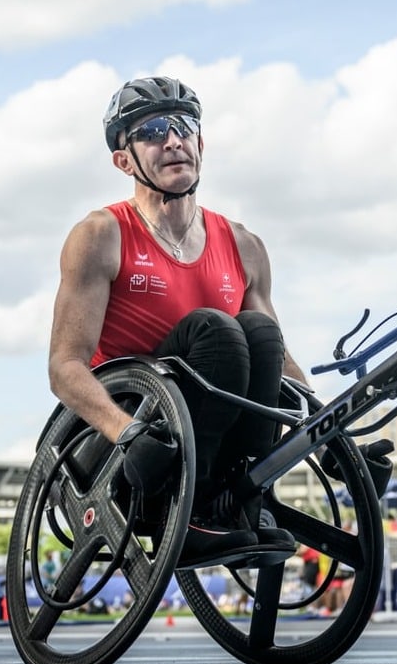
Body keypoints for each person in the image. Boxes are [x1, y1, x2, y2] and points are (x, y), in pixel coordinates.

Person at [48, 75, 307, 567]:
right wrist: (126, 432)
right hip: (130, 441)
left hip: (214, 432)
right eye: (151, 131)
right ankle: (184, 512)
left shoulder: (244, 244)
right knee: (216, 328)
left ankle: (239, 501)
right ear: (124, 160)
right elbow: (64, 367)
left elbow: (283, 365)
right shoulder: (100, 234)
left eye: (184, 127)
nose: (172, 140)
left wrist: (325, 433)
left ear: (201, 144)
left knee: (261, 333)